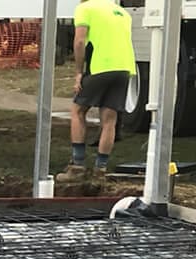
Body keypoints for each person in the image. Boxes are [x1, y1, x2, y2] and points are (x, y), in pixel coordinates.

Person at [56, 0, 136, 185]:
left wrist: (78, 72)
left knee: (77, 110)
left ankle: (77, 167)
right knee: (109, 120)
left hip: (100, 66)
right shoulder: (122, 12)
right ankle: (100, 170)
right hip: (124, 69)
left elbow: (80, 41)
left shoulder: (85, 8)